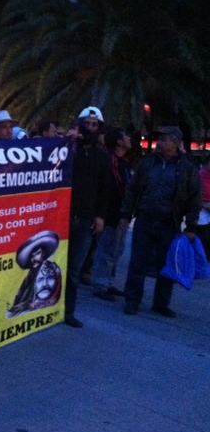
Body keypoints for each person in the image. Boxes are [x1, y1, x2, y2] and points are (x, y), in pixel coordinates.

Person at [119, 126, 201, 317]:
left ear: (176, 143)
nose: (160, 142)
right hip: (145, 220)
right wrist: (125, 215)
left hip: (169, 224)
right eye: (160, 139)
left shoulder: (187, 167)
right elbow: (132, 190)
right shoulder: (148, 163)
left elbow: (195, 197)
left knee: (166, 265)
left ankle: (161, 303)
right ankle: (132, 300)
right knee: (137, 263)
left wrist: (191, 226)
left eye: (165, 139)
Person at [64, 106, 110, 328]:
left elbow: (104, 188)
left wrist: (100, 216)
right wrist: (66, 142)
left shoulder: (102, 156)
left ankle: (68, 312)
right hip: (61, 217)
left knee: (74, 270)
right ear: (80, 125)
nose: (90, 128)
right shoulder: (68, 149)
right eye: (87, 124)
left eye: (95, 125)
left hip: (85, 220)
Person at [91, 127, 133, 302]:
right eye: (125, 136)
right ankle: (100, 284)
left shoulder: (122, 162)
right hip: (111, 214)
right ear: (119, 142)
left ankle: (108, 282)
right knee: (107, 250)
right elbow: (117, 189)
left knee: (116, 250)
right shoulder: (111, 161)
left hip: (120, 214)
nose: (129, 138)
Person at [8, 231, 62, 317]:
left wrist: (28, 306)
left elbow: (54, 298)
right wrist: (16, 305)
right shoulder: (30, 273)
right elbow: (22, 290)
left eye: (38, 253)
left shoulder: (50, 268)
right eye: (33, 255)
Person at [197, 155, 210, 259]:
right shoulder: (199, 176)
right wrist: (204, 204)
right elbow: (195, 194)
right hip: (202, 211)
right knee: (204, 239)